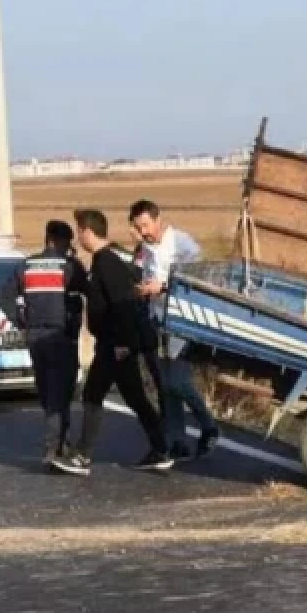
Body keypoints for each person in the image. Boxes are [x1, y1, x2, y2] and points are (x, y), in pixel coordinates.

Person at [50, 209, 174, 476]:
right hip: (117, 342)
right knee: (135, 398)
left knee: (93, 395)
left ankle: (82, 456)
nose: (78, 238)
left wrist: (122, 343)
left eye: (79, 231)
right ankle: (161, 449)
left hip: (115, 344)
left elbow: (123, 304)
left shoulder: (106, 260)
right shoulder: (110, 257)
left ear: (87, 232)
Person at [129, 198, 219, 460]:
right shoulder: (146, 249)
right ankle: (178, 441)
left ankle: (209, 426)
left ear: (158, 219)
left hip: (183, 319)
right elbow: (148, 277)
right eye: (138, 227)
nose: (144, 231)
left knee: (177, 381)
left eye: (146, 225)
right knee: (166, 385)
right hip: (159, 318)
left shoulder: (182, 243)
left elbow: (200, 278)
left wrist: (164, 287)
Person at [0, 220, 89, 465]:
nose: (68, 248)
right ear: (58, 241)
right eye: (67, 243)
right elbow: (90, 290)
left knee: (48, 391)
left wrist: (21, 321)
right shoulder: (69, 266)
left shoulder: (26, 265)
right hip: (61, 336)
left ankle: (61, 443)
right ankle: (54, 449)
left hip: (35, 336)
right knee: (61, 393)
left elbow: (4, 297)